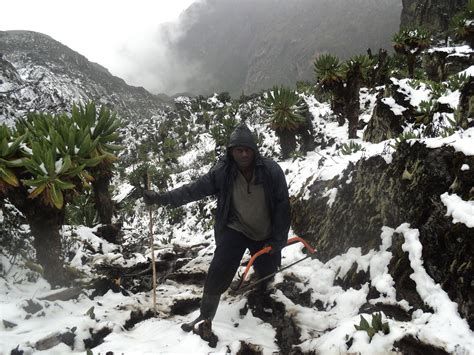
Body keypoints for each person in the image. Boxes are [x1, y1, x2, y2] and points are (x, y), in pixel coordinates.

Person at [143, 122, 291, 331]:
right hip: (236, 229)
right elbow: (193, 190)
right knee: (218, 271)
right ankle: (206, 315)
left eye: (248, 150)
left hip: (265, 233)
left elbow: (283, 205)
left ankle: (263, 299)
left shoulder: (270, 171)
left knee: (267, 272)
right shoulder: (222, 172)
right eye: (238, 150)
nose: (244, 155)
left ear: (255, 151)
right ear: (231, 152)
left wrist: (279, 239)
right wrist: (160, 198)